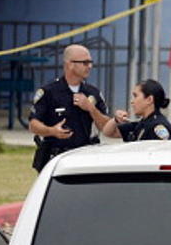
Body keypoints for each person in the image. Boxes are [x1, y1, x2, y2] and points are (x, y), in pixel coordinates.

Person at [28, 43, 110, 171]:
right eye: (85, 63)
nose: (90, 66)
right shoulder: (48, 92)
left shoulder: (93, 93)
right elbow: (33, 124)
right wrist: (52, 131)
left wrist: (91, 108)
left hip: (86, 158)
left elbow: (106, 127)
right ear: (70, 64)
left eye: (90, 62)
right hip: (55, 159)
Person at [103, 79, 171, 141]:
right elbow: (108, 132)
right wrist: (115, 120)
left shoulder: (158, 127)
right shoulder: (141, 124)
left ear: (149, 99)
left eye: (135, 96)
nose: (132, 101)